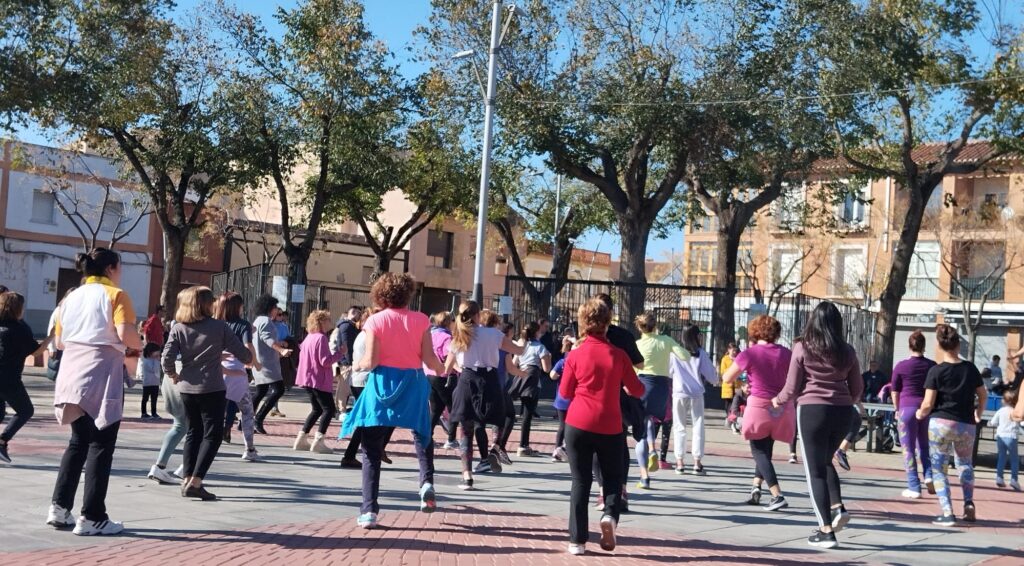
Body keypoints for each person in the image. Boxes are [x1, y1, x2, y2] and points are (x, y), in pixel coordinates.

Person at [340, 273, 446, 529]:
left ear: (381, 295)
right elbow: (430, 360)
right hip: (413, 381)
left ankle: (369, 511)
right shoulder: (421, 320)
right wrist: (443, 369)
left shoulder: (376, 320)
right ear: (408, 294)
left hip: (382, 384)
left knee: (371, 450)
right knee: (422, 434)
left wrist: (355, 365)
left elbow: (371, 361)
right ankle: (426, 482)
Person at [49, 248, 141, 535]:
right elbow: (126, 334)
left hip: (72, 369)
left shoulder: (70, 297)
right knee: (101, 443)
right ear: (112, 268)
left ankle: (59, 506)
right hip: (102, 369)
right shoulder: (117, 295)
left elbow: (60, 340)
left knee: (78, 441)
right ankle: (92, 516)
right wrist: (140, 345)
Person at [774, 302, 864, 549]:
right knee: (826, 462)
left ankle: (825, 531)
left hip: (812, 410)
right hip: (843, 411)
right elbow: (857, 389)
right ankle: (837, 508)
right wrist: (843, 398)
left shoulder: (803, 347)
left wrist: (777, 400)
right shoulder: (848, 351)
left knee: (813, 471)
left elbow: (791, 388)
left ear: (813, 321)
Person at [560, 298, 645, 556]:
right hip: (609, 423)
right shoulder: (618, 355)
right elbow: (637, 389)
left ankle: (577, 540)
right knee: (613, 476)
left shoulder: (575, 355)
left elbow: (564, 392)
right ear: (607, 324)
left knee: (580, 481)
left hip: (578, 422)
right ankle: (610, 515)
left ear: (583, 324)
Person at [163, 286, 252, 501]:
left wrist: (173, 374)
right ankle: (196, 481)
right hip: (211, 387)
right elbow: (245, 355)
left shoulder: (178, 328)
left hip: (186, 387)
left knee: (193, 432)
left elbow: (166, 358)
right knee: (212, 435)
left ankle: (186, 478)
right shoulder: (219, 327)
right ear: (204, 304)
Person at [444, 300, 525, 489]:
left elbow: (447, 368)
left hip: (467, 379)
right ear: (477, 315)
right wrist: (523, 342)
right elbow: (518, 350)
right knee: (503, 417)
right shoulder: (493, 333)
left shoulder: (459, 335)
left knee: (466, 429)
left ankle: (467, 476)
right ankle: (495, 449)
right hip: (489, 379)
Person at [721, 315, 794, 512]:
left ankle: (777, 495)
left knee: (758, 450)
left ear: (755, 332)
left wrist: (744, 384)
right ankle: (756, 488)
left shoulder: (750, 353)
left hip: (759, 405)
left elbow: (727, 378)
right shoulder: (787, 353)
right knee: (766, 447)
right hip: (781, 407)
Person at [917, 324, 987, 526]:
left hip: (941, 424)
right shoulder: (970, 368)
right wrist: (978, 413)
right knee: (965, 464)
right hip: (966, 424)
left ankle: (947, 512)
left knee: (939, 468)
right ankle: (968, 502)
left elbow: (928, 403)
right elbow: (983, 394)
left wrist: (919, 414)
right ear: (958, 345)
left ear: (939, 345)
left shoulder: (935, 371)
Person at [591, 293, 644, 512]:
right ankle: (620, 489)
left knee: (595, 446)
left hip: (593, 395)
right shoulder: (623, 336)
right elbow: (640, 364)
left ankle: (603, 491)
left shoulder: (586, 337)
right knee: (619, 444)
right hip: (619, 395)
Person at [632, 312, 689, 488]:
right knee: (650, 419)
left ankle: (644, 476)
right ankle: (653, 449)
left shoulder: (638, 344)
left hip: (643, 384)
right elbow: (685, 356)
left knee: (640, 430)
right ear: (655, 325)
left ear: (639, 327)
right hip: (662, 387)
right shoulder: (665, 341)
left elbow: (632, 368)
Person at [0, 292, 51, 463]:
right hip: (8, 379)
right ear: (18, 308)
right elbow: (35, 351)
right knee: (25, 410)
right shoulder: (20, 328)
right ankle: (2, 440)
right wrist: (50, 337)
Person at [889, 330, 937, 498]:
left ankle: (914, 486)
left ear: (909, 346)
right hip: (926, 409)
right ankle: (929, 475)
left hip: (906, 409)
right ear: (924, 346)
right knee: (924, 446)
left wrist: (896, 409)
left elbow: (895, 391)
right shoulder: (932, 365)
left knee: (908, 449)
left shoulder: (901, 366)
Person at [213, 292, 261, 461]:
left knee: (215, 412)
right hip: (237, 372)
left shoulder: (215, 323)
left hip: (216, 371)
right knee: (247, 411)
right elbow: (248, 345)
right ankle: (249, 449)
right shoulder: (242, 324)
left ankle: (209, 445)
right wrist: (254, 362)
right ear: (238, 307)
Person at [669, 324, 719, 476]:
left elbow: (668, 372)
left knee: (679, 427)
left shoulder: (674, 353)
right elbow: (711, 376)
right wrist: (716, 379)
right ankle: (697, 462)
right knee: (698, 426)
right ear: (696, 336)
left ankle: (679, 462)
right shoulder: (700, 354)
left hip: (679, 392)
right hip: (696, 393)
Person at [294, 310, 345, 454]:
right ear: (321, 322)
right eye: (328, 320)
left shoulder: (309, 337)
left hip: (307, 379)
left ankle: (302, 438)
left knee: (317, 409)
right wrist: (340, 353)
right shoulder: (321, 338)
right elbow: (325, 361)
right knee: (329, 409)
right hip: (319, 379)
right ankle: (318, 441)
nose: (330, 322)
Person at [339, 308, 379, 469]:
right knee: (368, 420)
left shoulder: (362, 334)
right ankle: (359, 453)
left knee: (366, 419)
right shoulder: (368, 336)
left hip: (359, 379)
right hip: (364, 380)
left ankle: (353, 454)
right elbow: (372, 360)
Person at [510, 321, 552, 457]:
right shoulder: (540, 348)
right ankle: (523, 445)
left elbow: (513, 364)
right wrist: (547, 359)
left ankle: (518, 443)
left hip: (521, 378)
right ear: (536, 333)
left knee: (522, 412)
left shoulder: (522, 346)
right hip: (532, 381)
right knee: (527, 415)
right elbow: (547, 369)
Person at [251, 295, 292, 434]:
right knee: (278, 390)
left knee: (261, 391)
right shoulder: (267, 321)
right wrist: (281, 349)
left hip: (260, 360)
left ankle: (246, 420)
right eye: (275, 308)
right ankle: (258, 419)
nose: (276, 311)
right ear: (270, 308)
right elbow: (268, 339)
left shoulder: (257, 320)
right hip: (267, 363)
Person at [425, 311, 459, 450]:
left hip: (429, 374)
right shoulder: (447, 338)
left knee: (435, 408)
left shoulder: (431, 334)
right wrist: (459, 368)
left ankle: (427, 437)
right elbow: (448, 357)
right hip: (444, 376)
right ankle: (451, 439)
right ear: (448, 322)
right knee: (454, 408)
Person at [549, 334, 576, 463]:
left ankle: (557, 449)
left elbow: (552, 375)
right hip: (574, 399)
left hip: (561, 398)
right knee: (572, 426)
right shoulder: (577, 360)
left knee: (562, 425)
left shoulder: (562, 362)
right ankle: (568, 449)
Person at [333, 305, 362, 415]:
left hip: (342, 361)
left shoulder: (347, 326)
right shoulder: (346, 326)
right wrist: (351, 362)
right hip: (345, 362)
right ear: (354, 313)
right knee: (343, 387)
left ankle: (340, 408)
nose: (359, 316)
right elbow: (346, 345)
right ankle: (341, 409)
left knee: (342, 386)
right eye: (359, 313)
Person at [990, 389, 1020, 490]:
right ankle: (1014, 480)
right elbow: (1021, 422)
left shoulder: (1000, 411)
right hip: (1012, 436)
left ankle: (999, 477)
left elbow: (993, 422)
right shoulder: (1015, 411)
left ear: (1004, 400)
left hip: (1000, 436)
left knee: (1001, 457)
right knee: (1014, 459)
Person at [137, 343, 162, 419]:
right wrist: (157, 361)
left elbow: (158, 371)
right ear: (151, 352)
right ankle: (144, 413)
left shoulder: (155, 360)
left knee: (154, 399)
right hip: (147, 383)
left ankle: (154, 413)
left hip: (155, 383)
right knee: (145, 399)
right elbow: (153, 370)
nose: (158, 354)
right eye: (156, 352)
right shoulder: (146, 361)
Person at [720, 343, 739, 425]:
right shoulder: (725, 359)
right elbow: (723, 371)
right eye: (733, 350)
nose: (734, 352)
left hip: (737, 384)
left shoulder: (738, 359)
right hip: (727, 385)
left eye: (735, 350)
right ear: (729, 350)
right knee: (728, 403)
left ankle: (732, 418)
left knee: (735, 402)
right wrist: (732, 369)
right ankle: (728, 417)